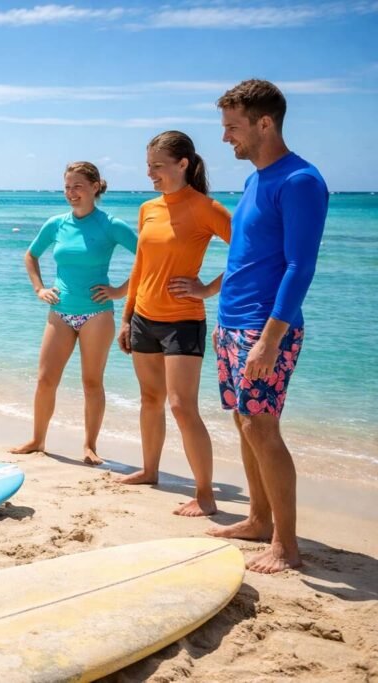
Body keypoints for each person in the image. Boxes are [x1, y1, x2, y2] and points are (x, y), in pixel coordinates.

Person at [206, 80, 328, 573]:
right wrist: (212, 293)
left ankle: (286, 544)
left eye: (232, 127)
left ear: (264, 123)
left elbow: (300, 266)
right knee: (243, 420)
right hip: (232, 322)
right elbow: (250, 252)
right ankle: (258, 519)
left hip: (264, 330)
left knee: (262, 425)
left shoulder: (299, 181)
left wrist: (270, 340)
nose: (225, 138)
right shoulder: (256, 178)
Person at [117, 131, 231, 517]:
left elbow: (250, 254)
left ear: (183, 164)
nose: (151, 173)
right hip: (144, 318)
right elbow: (140, 265)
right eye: (148, 166)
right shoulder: (149, 208)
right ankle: (150, 470)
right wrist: (127, 315)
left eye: (158, 166)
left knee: (183, 406)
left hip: (183, 322)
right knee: (151, 400)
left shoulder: (206, 208)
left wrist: (208, 289)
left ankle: (205, 493)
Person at [11, 162, 136, 465]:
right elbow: (30, 255)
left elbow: (149, 258)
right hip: (60, 312)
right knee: (45, 379)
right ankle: (38, 440)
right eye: (67, 186)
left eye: (78, 186)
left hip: (97, 314)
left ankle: (90, 446)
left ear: (95, 187)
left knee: (92, 382)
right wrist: (40, 289)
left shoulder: (111, 224)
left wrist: (120, 291)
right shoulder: (57, 223)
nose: (71, 192)